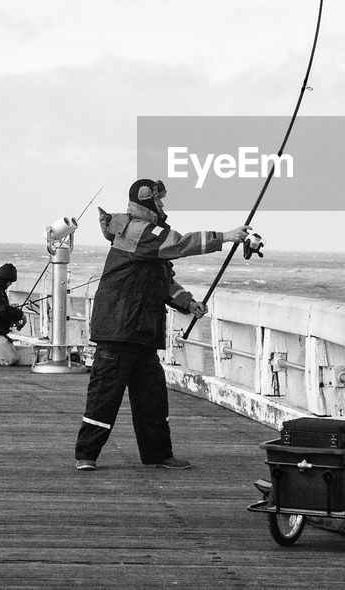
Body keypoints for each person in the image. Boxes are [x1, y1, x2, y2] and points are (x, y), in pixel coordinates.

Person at [74, 178, 249, 471]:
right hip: (118, 331)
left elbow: (162, 280)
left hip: (141, 332)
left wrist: (187, 302)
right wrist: (226, 236)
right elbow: (179, 244)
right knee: (104, 396)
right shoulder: (137, 230)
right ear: (146, 201)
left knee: (152, 398)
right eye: (159, 200)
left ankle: (157, 455)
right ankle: (86, 455)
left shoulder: (148, 237)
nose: (163, 205)